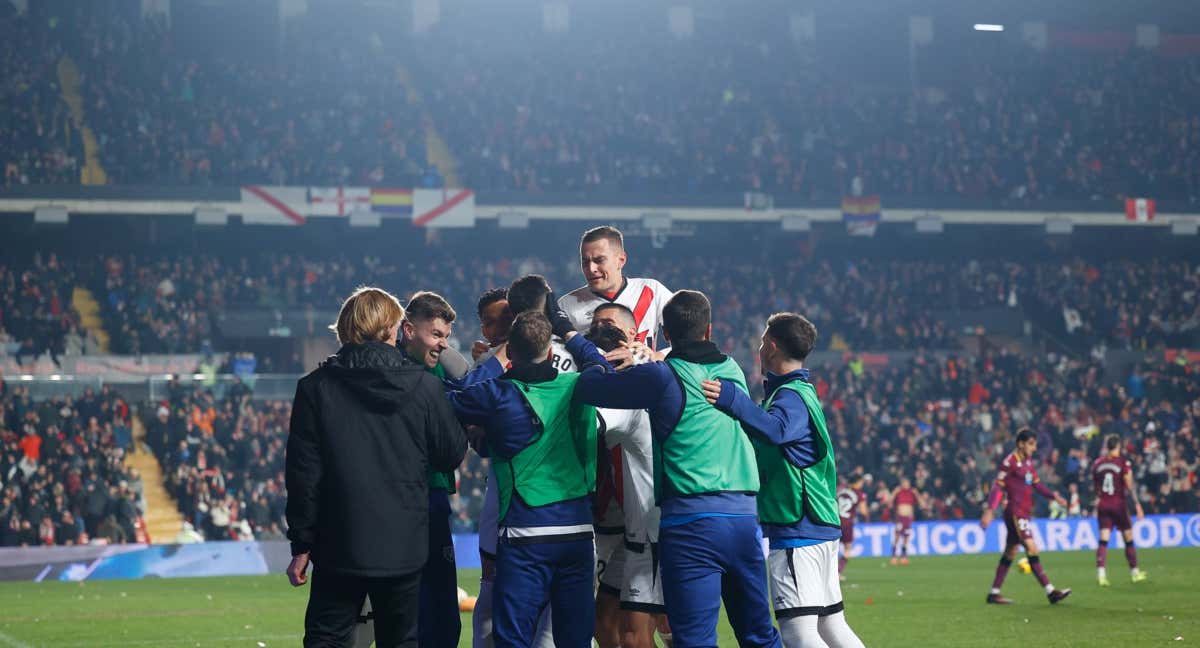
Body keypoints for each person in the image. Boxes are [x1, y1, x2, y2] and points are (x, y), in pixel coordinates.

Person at [575, 290, 782, 648]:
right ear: (709, 330)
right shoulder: (731, 368)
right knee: (760, 636)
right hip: (744, 520)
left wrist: (601, 360)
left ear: (666, 334)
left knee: (694, 640)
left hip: (691, 524)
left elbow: (590, 388)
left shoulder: (661, 377)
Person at [286, 286, 467, 647]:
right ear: (392, 329)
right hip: (404, 544)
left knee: (326, 638)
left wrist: (301, 544)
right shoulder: (423, 386)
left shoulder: (314, 387)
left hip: (338, 542)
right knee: (400, 640)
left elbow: (304, 475)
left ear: (344, 328)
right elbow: (450, 454)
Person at [702, 312, 865, 648]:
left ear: (772, 347)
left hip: (798, 528)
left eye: (762, 342)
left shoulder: (790, 395)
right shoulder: (799, 391)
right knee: (831, 627)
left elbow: (776, 431)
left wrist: (733, 400)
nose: (759, 348)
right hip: (816, 523)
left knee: (798, 633)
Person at [447, 309, 608, 648]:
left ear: (512, 353)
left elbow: (451, 396)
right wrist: (570, 334)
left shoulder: (497, 392)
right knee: (576, 640)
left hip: (525, 534)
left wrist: (496, 358)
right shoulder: (579, 383)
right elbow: (599, 364)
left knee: (513, 639)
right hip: (577, 532)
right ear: (550, 353)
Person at [586, 304, 670, 648]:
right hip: (625, 521)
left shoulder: (631, 384)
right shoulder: (659, 371)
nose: (601, 327)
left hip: (649, 527)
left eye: (609, 324)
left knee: (636, 634)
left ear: (634, 336)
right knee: (604, 616)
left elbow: (591, 426)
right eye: (596, 323)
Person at [398, 290, 465, 648]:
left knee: (442, 614)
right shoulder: (387, 369)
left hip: (435, 496)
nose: (442, 345)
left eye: (446, 337)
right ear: (408, 330)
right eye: (436, 335)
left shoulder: (443, 369)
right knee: (405, 612)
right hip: (398, 500)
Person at [980, 428, 1072, 605]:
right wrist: (990, 510)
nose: (1034, 448)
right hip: (1015, 512)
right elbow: (998, 486)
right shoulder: (1010, 462)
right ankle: (1051, 591)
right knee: (1032, 548)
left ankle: (994, 593)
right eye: (1030, 444)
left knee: (1011, 551)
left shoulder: (1028, 462)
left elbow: (1037, 485)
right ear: (1020, 444)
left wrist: (1054, 496)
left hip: (1024, 512)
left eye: (1035, 444)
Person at [559, 226, 673, 349]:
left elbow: (689, 338)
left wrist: (656, 356)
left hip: (645, 368)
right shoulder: (566, 305)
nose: (591, 269)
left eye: (599, 260)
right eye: (585, 262)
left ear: (621, 260)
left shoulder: (651, 290)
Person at [1091, 434, 1148, 586]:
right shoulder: (1123, 463)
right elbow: (1129, 485)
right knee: (1128, 539)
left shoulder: (1097, 463)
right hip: (1119, 505)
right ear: (1118, 447)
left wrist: (1100, 497)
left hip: (1103, 504)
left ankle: (1101, 575)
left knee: (1103, 540)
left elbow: (1096, 487)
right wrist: (1137, 504)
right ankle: (1135, 573)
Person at [837, 475, 869, 578]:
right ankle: (838, 572)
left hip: (835, 521)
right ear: (857, 482)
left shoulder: (840, 491)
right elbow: (864, 511)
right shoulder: (859, 494)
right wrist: (866, 518)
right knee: (848, 548)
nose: (862, 484)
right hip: (847, 523)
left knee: (832, 549)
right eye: (861, 482)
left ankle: (829, 573)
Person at [888, 476, 920, 565]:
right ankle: (894, 556)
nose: (906, 485)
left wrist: (917, 494)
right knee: (897, 536)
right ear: (901, 484)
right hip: (900, 517)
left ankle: (904, 556)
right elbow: (889, 502)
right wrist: (894, 492)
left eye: (907, 483)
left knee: (906, 537)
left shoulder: (912, 492)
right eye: (904, 483)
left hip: (908, 518)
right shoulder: (898, 492)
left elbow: (921, 503)